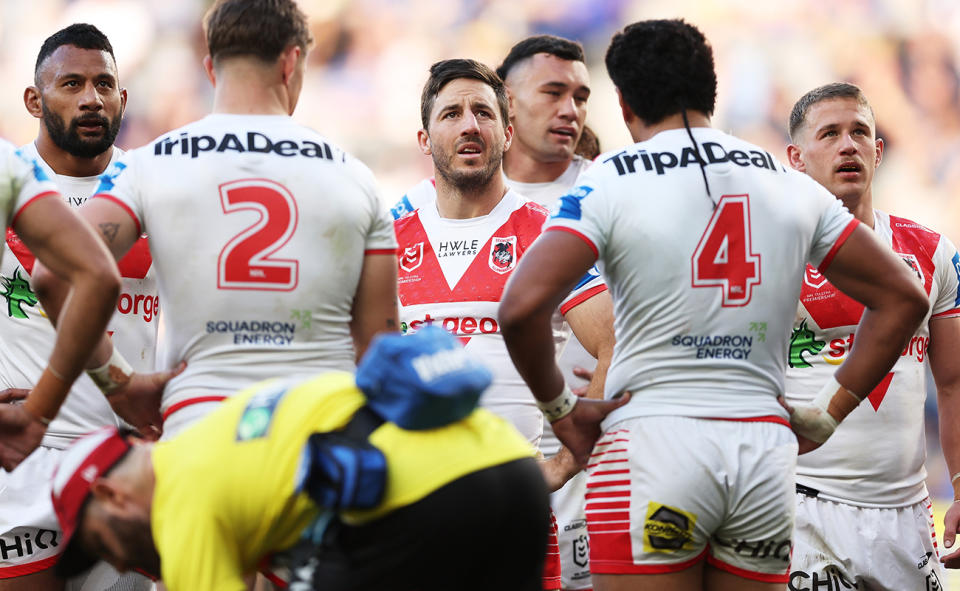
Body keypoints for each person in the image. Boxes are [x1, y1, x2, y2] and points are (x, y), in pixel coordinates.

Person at [498, 19, 930, 591]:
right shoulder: (787, 181)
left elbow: (520, 308)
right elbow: (903, 297)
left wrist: (562, 412)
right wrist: (831, 410)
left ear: (624, 104)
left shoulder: (609, 182)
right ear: (712, 91)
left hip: (649, 448)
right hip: (761, 453)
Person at [32, 0, 399, 441]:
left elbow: (53, 273)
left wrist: (120, 385)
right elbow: (380, 351)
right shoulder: (355, 178)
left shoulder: (155, 163)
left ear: (210, 68)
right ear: (291, 62)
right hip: (314, 437)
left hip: (199, 432)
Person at [48, 327, 549, 591]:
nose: (117, 562)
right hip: (514, 470)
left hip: (429, 500)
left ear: (110, 495)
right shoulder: (225, 428)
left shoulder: (179, 509)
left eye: (101, 543)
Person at [392, 38, 609, 589]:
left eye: (483, 112)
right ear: (425, 138)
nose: (469, 126)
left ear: (505, 132)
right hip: (409, 517)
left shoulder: (547, 232)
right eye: (451, 114)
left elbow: (618, 344)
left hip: (514, 520)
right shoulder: (387, 235)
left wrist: (562, 464)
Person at [0, 24, 160, 591]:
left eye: (104, 84)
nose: (91, 97)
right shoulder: (8, 181)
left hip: (128, 460)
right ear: (34, 100)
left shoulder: (153, 185)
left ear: (123, 97)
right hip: (23, 459)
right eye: (71, 84)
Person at [782, 82, 960, 589]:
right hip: (803, 506)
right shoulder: (773, 252)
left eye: (860, 132)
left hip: (907, 516)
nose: (848, 145)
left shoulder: (932, 252)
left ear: (879, 151)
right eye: (830, 134)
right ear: (796, 157)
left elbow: (953, 384)